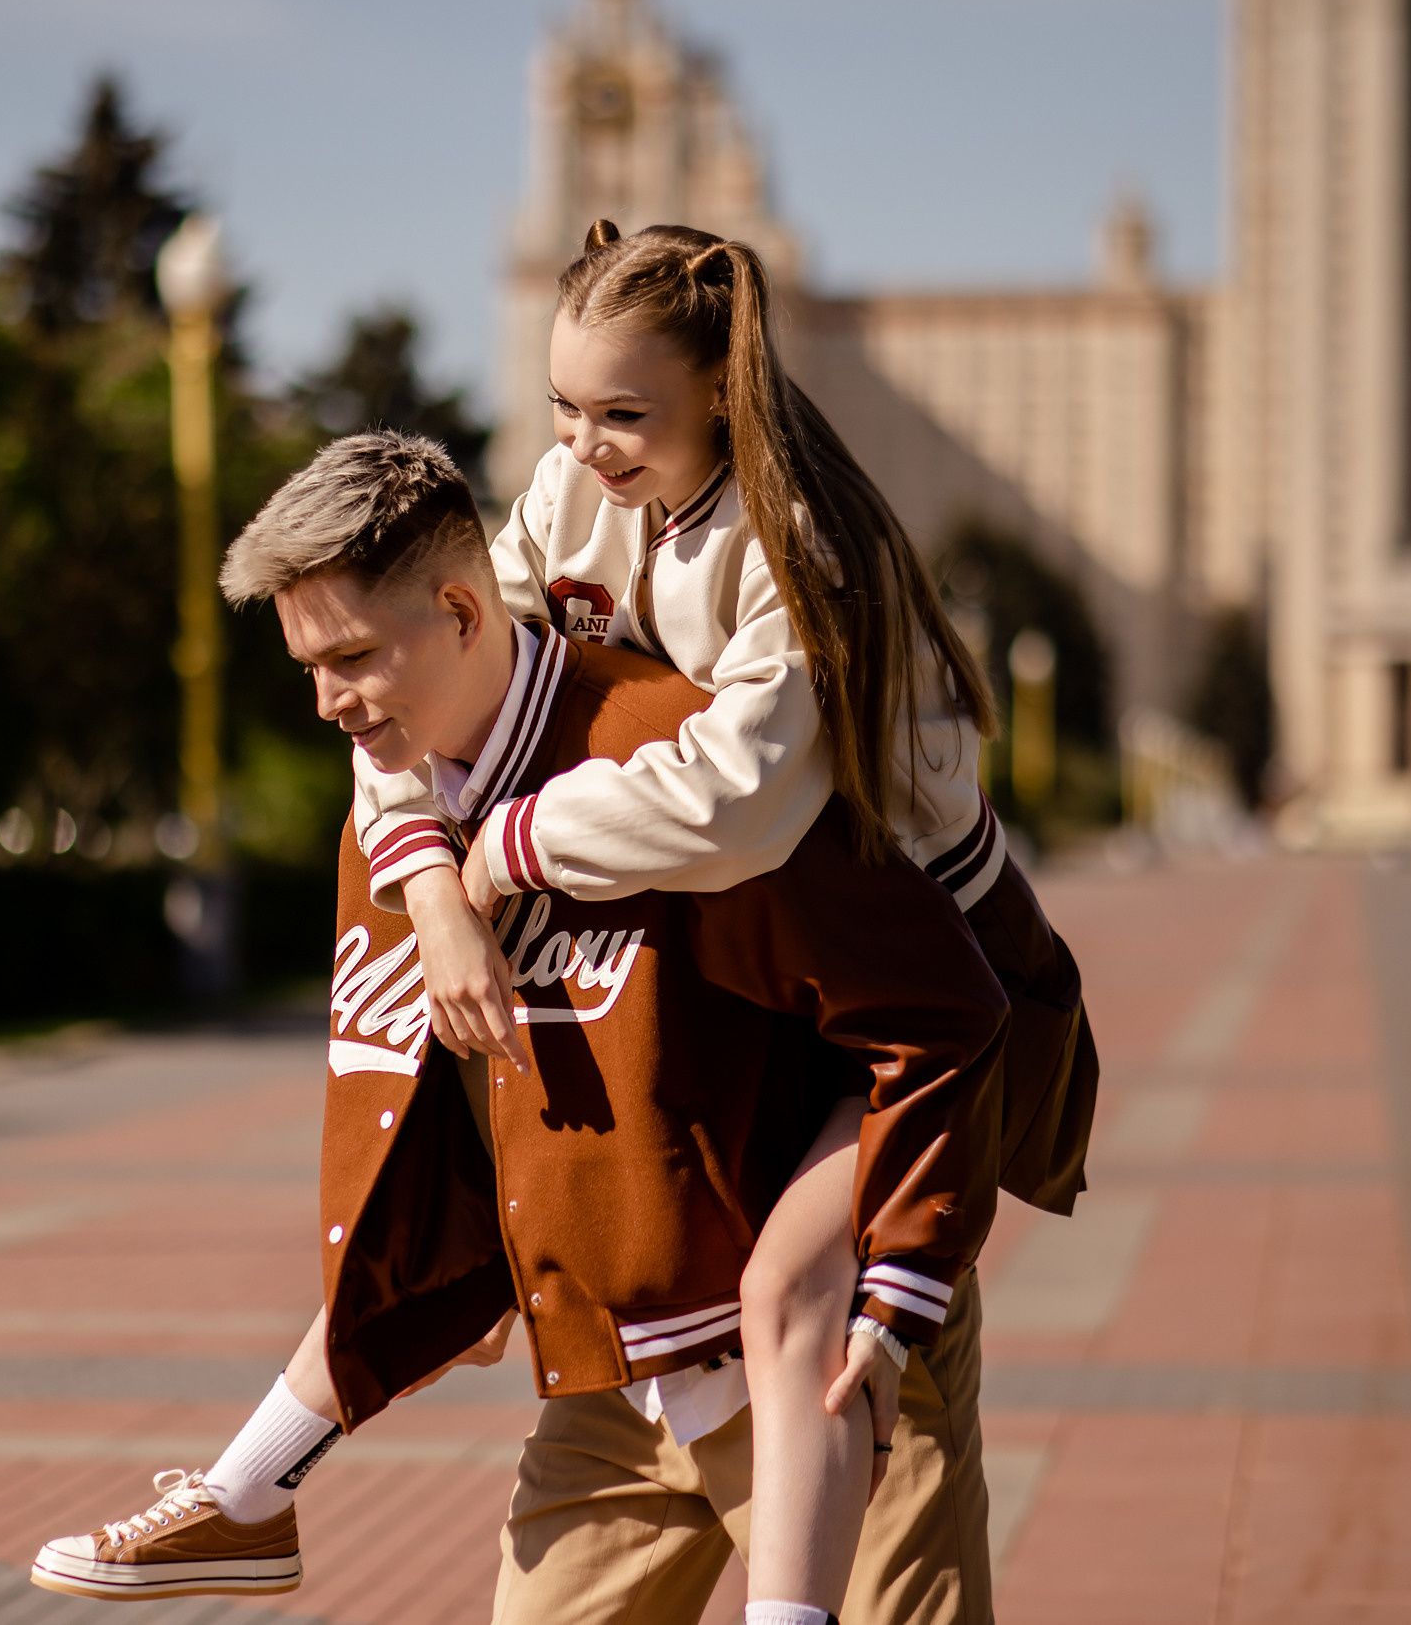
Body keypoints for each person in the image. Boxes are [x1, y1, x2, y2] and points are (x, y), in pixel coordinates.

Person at [30, 434, 1015, 1625]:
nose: (328, 703)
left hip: (828, 1369)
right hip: (614, 1384)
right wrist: (264, 1467)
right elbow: (442, 1177)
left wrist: (891, 1282)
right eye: (307, 664)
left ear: (460, 608)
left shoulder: (679, 768)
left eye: (350, 657)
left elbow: (945, 1005)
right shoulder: (397, 819)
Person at [352, 223, 1100, 1625]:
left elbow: (733, 805)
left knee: (850, 1378)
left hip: (898, 1029)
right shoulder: (574, 497)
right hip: (710, 1076)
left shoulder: (795, 548)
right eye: (565, 407)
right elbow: (421, 665)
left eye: (624, 414)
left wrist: (502, 845)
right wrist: (427, 885)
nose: (585, 445)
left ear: (723, 390)